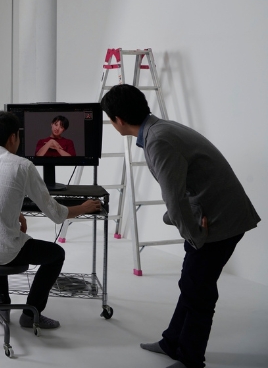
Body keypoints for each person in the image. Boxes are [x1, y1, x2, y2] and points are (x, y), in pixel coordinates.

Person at [101, 84, 260, 368]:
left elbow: (174, 199)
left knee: (198, 291)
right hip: (216, 214)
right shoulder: (159, 129)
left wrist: (194, 237)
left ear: (119, 120)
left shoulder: (158, 140)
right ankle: (172, 342)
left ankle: (190, 360)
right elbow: (181, 197)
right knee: (191, 283)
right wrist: (187, 227)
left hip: (220, 222)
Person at [0, 111, 100, 329]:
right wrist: (83, 208)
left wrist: (15, 212)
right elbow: (56, 214)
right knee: (55, 254)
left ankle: (1, 303)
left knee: (1, 235)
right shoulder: (22, 166)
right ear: (13, 137)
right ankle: (30, 313)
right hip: (0, 251)